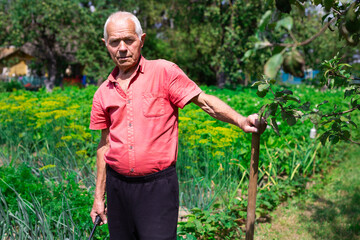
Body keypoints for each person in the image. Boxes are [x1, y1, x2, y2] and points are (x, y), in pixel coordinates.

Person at [89, 11, 266, 240]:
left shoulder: (164, 72)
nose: (122, 48)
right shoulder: (103, 92)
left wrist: (240, 120)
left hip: (157, 188)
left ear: (141, 40)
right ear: (106, 45)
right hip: (117, 188)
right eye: (114, 42)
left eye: (129, 40)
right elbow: (104, 145)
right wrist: (98, 197)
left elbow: (204, 102)